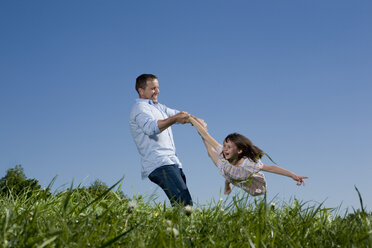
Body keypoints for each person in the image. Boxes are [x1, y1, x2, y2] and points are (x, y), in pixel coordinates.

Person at [189, 116, 308, 196]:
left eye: (229, 147)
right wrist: (192, 120)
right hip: (227, 169)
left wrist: (293, 175)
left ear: (240, 150)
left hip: (242, 177)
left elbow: (271, 168)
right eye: (224, 145)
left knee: (253, 190)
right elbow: (208, 137)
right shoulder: (224, 154)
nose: (225, 149)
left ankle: (227, 183)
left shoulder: (249, 164)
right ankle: (201, 126)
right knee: (210, 150)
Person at [129, 74, 193, 206]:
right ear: (141, 91)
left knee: (183, 203)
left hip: (171, 161)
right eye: (153, 88)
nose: (157, 91)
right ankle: (178, 226)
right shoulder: (140, 108)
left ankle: (176, 226)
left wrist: (195, 120)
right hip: (159, 162)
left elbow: (178, 114)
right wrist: (175, 119)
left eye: (157, 88)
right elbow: (150, 128)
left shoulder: (158, 107)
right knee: (184, 203)